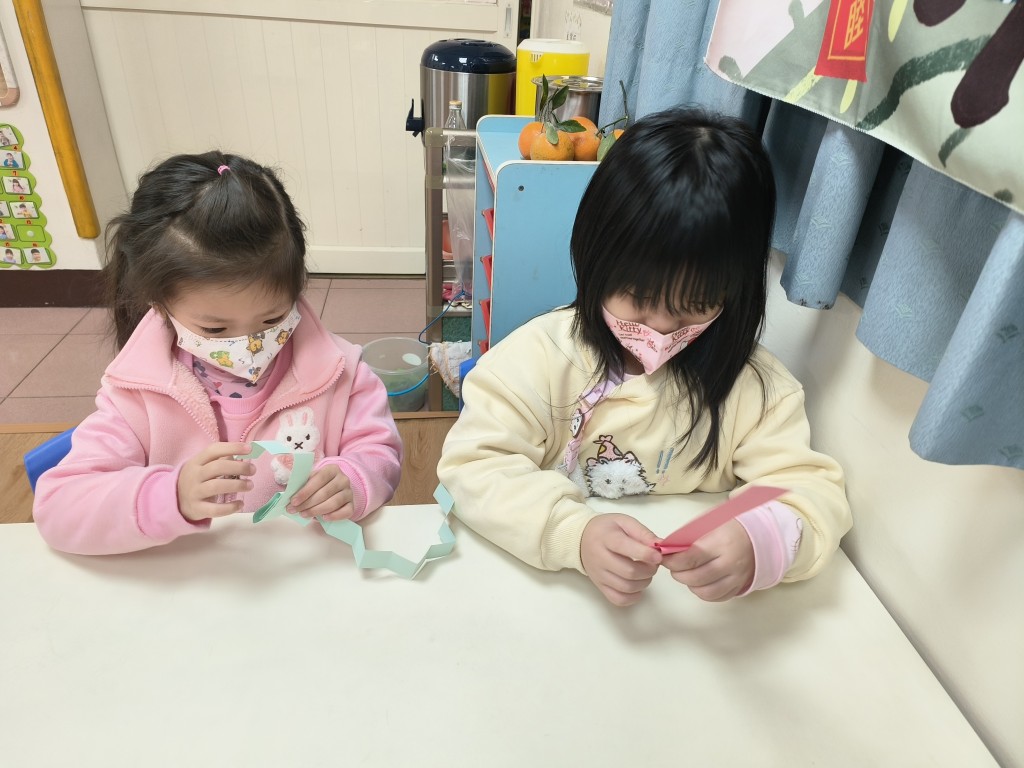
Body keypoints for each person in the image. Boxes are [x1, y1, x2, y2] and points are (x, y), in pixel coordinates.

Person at [436, 107, 852, 607]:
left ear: (737, 292)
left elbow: (807, 491)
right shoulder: (537, 358)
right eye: (637, 297)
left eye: (693, 305)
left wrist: (760, 541)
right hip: (552, 602)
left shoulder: (757, 391)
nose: (658, 327)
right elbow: (473, 466)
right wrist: (573, 534)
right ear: (594, 259)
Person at [34, 152, 403, 555]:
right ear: (159, 305)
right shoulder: (136, 396)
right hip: (190, 580)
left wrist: (355, 479)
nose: (249, 344)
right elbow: (59, 509)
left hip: (305, 571)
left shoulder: (343, 375)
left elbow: (378, 453)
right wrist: (169, 496)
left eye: (272, 319)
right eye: (215, 330)